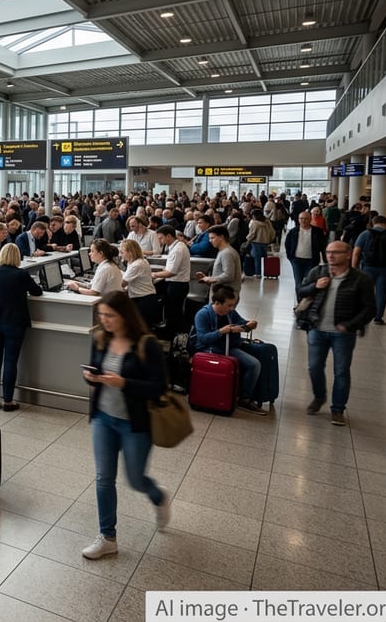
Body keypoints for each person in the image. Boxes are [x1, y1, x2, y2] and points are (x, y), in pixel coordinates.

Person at [80, 291, 170, 560]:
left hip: (134, 423)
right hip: (103, 419)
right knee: (104, 478)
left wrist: (124, 383)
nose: (104, 320)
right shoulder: (100, 339)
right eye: (101, 315)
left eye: (110, 315)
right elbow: (96, 372)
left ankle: (158, 495)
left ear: (125, 316)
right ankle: (108, 537)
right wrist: (91, 378)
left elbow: (159, 387)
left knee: (135, 479)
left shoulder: (146, 344)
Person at [299, 241, 376, 425]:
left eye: (335, 252)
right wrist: (315, 286)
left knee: (341, 371)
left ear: (348, 254)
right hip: (317, 329)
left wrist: (350, 325)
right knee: (314, 367)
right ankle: (319, 397)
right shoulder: (318, 272)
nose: (330, 256)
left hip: (343, 333)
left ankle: (338, 409)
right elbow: (301, 291)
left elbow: (369, 309)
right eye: (328, 252)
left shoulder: (361, 279)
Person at [0, 243, 43, 411]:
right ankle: (8, 401)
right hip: (14, 323)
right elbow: (37, 291)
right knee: (10, 361)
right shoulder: (21, 274)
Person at [192, 285, 265, 414]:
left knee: (255, 363)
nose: (231, 308)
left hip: (229, 346)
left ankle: (245, 397)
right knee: (250, 364)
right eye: (229, 305)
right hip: (209, 349)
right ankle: (241, 397)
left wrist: (248, 325)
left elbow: (241, 322)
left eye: (232, 305)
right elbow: (202, 338)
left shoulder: (230, 312)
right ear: (217, 303)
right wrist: (222, 331)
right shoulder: (202, 314)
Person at [352, 215, 386, 324]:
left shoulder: (365, 234)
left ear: (373, 223)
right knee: (381, 292)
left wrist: (353, 268)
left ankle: (362, 315)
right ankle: (378, 317)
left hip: (368, 267)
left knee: (365, 291)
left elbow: (356, 253)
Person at [152, 225, 191, 336]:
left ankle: (170, 334)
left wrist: (153, 274)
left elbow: (171, 272)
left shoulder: (177, 249)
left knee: (173, 312)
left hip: (177, 285)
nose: (159, 241)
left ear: (169, 236)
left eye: (161, 238)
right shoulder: (177, 246)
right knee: (173, 311)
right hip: (178, 283)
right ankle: (172, 330)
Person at [195, 226, 243, 298]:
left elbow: (229, 275)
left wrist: (212, 279)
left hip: (225, 297)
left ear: (221, 237)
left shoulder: (227, 253)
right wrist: (208, 279)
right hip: (222, 294)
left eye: (212, 238)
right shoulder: (223, 251)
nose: (210, 241)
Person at [120, 240, 159, 328]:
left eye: (122, 252)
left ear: (130, 252)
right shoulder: (137, 261)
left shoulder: (137, 265)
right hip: (144, 298)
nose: (121, 255)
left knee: (142, 328)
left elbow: (122, 283)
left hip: (144, 300)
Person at [244, 209, 275, 277]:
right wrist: (270, 239)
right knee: (265, 258)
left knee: (257, 258)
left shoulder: (254, 223)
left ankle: (258, 273)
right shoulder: (267, 221)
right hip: (266, 242)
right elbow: (272, 231)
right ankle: (268, 272)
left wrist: (247, 239)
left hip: (256, 242)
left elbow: (252, 234)